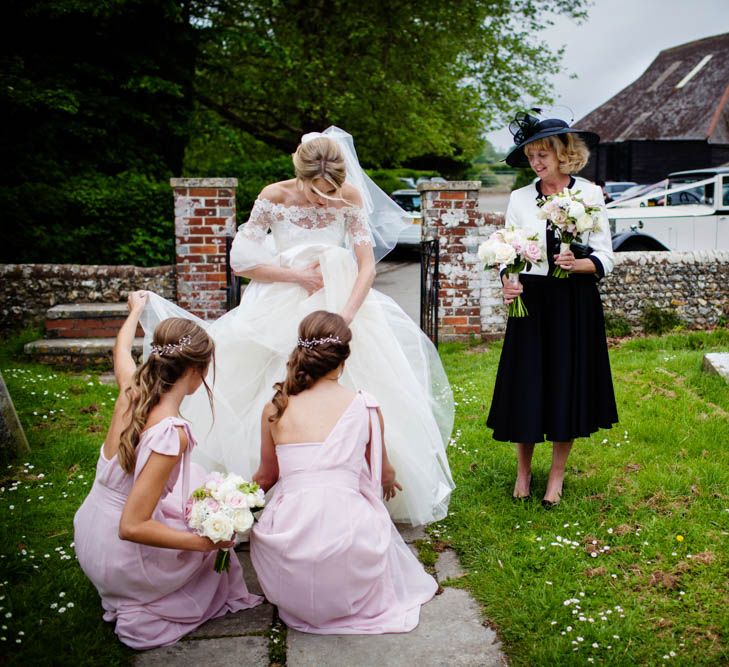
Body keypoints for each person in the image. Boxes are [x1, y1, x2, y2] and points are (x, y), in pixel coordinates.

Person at [140, 126, 454, 526]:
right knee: (262, 382)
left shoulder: (350, 198)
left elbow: (366, 267)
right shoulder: (274, 196)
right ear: (299, 174)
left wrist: (346, 316)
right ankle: (263, 491)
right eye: (314, 191)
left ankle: (346, 489)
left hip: (339, 299)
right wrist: (296, 277)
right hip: (279, 299)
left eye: (329, 193)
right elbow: (241, 261)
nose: (322, 200)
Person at [73, 292, 262, 650]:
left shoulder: (133, 389)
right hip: (119, 555)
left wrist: (134, 312)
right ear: (195, 371)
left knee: (190, 492)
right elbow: (131, 526)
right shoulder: (170, 434)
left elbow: (121, 351)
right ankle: (148, 596)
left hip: (89, 532)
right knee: (203, 552)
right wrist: (205, 543)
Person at [250, 311, 437, 633]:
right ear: (344, 358)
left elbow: (266, 478)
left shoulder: (275, 407)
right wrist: (389, 481)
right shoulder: (364, 406)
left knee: (281, 527)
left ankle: (302, 592)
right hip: (347, 534)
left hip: (291, 533)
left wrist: (232, 501)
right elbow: (383, 470)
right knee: (364, 520)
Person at [486, 112, 619, 508]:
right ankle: (523, 471)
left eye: (543, 154)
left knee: (566, 384)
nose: (536, 162)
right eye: (531, 156)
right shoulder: (519, 198)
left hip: (574, 301)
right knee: (526, 384)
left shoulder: (589, 195)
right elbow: (507, 252)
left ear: (564, 154)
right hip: (531, 300)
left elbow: (606, 256)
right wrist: (508, 283)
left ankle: (556, 476)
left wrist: (579, 265)